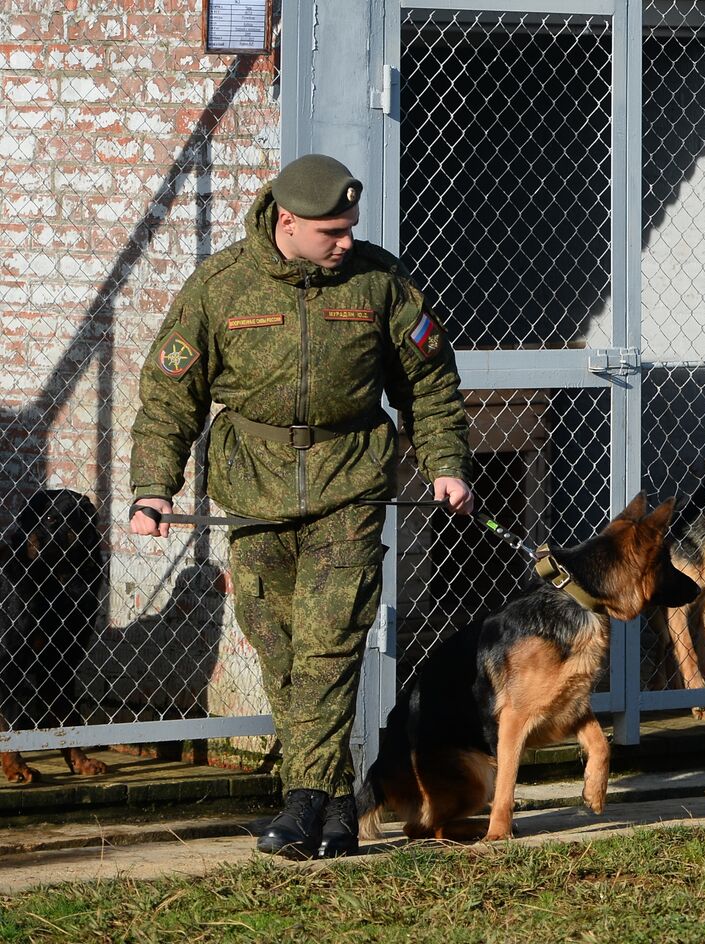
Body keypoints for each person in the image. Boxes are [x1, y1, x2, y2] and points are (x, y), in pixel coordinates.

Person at [129, 154, 474, 858]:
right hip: (253, 488)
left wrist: (445, 464)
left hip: (349, 480)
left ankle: (302, 800)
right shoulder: (220, 287)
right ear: (286, 222)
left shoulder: (380, 281)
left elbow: (428, 379)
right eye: (331, 231)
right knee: (278, 644)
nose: (346, 241)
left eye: (350, 227)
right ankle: (340, 803)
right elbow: (171, 395)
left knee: (329, 641)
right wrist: (152, 486)